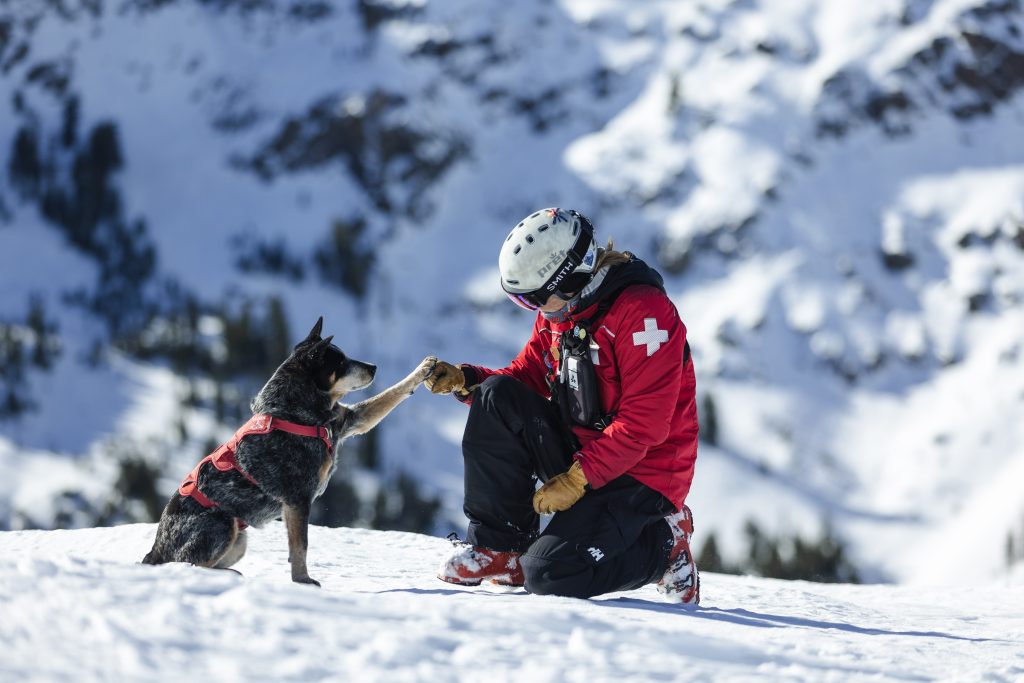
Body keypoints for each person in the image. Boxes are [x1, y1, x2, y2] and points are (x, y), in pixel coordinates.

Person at [425, 207, 699, 604]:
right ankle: (503, 549)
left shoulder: (643, 316)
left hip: (644, 475)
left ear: (571, 276)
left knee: (552, 574)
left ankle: (664, 546)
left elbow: (644, 425)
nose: (533, 307)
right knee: (495, 396)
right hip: (587, 454)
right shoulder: (563, 313)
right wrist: (468, 380)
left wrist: (577, 479)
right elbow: (524, 376)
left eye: (534, 297)